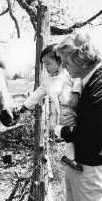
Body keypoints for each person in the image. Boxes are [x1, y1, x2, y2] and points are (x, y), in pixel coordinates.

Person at [53, 32, 102, 201]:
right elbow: (89, 122)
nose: (63, 67)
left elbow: (91, 134)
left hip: (91, 171)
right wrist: (72, 119)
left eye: (66, 62)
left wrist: (58, 130)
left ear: (81, 61)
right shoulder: (90, 82)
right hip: (81, 166)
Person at [20, 43, 83, 172]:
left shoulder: (68, 74)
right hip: (61, 112)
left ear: (60, 61)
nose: (46, 67)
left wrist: (76, 93)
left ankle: (75, 157)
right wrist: (25, 106)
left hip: (74, 107)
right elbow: (37, 94)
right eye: (44, 64)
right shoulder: (47, 81)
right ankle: (71, 157)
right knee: (69, 134)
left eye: (48, 63)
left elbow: (78, 81)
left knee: (77, 133)